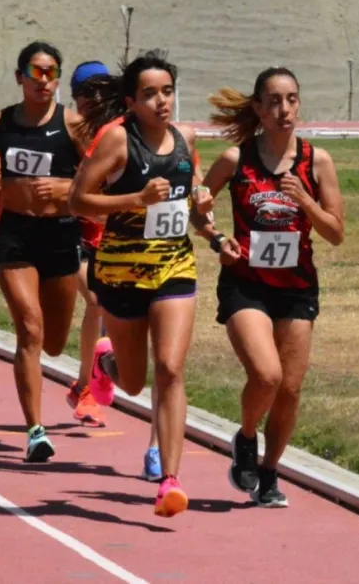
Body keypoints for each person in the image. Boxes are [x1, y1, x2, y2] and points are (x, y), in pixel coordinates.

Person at [189, 67, 344, 508]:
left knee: (290, 389)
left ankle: (270, 472)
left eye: (291, 99)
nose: (284, 110)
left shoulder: (316, 161)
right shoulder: (236, 160)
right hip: (246, 284)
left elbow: (335, 232)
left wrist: (306, 201)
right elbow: (197, 210)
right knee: (267, 375)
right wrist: (217, 238)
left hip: (296, 287)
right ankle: (245, 436)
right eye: (274, 101)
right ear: (258, 108)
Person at [68, 50, 214, 518]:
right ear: (131, 102)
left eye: (167, 91)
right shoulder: (116, 140)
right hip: (121, 273)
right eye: (149, 94)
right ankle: (105, 361)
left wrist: (206, 215)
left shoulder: (185, 139)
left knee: (170, 368)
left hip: (174, 267)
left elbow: (189, 198)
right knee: (133, 384)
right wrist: (135, 198)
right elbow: (77, 201)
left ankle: (170, 479)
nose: (161, 101)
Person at [0, 41, 85, 463]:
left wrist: (66, 188)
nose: (44, 80)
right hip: (15, 235)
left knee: (54, 343)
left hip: (61, 235)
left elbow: (101, 179)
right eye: (36, 72)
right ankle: (36, 430)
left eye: (51, 72)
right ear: (20, 77)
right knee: (30, 330)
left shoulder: (73, 125)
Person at [66, 61, 111, 430]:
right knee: (96, 302)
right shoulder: (69, 134)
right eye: (86, 92)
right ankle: (86, 387)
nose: (95, 97)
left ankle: (89, 381)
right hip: (75, 235)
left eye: (102, 90)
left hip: (117, 238)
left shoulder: (121, 132)